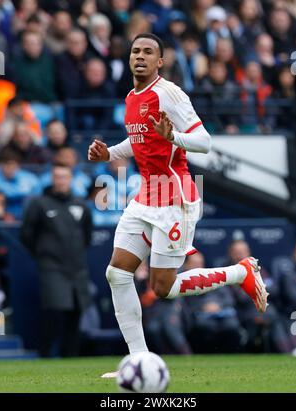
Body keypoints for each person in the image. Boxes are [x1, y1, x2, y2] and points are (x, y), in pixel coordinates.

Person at [88, 33, 269, 377]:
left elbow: (204, 141)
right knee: (117, 273)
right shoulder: (131, 97)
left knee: (163, 288)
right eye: (135, 50)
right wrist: (109, 153)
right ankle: (139, 361)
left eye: (148, 52)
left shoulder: (169, 93)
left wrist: (174, 137)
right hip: (146, 197)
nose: (140, 56)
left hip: (176, 199)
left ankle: (239, 272)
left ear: (160, 62)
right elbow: (138, 140)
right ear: (129, 59)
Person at [20, 163, 93, 357]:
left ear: (70, 179)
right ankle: (45, 354)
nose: (61, 181)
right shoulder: (39, 204)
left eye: (65, 177)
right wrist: (44, 254)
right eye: (58, 177)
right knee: (53, 312)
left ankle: (70, 356)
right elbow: (27, 234)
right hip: (51, 267)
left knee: (76, 313)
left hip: (77, 268)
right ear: (53, 180)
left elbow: (87, 235)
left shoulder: (80, 205)